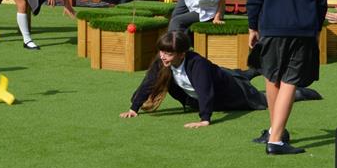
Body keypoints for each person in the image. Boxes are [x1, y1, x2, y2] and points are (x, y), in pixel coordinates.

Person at [247, 0, 328, 156]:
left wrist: (252, 26)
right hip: (302, 28)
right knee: (290, 80)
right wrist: (316, 28)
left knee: (272, 78)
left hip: (271, 27)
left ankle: (275, 132)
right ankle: (276, 139)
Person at [119, 31, 320, 128]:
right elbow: (148, 83)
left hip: (234, 94)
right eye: (162, 51)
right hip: (221, 76)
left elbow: (206, 91)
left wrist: (205, 119)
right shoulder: (162, 63)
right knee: (235, 73)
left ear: (182, 53)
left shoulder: (197, 65)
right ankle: (252, 71)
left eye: (168, 53)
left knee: (265, 98)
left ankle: (301, 92)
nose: (163, 56)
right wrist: (133, 108)